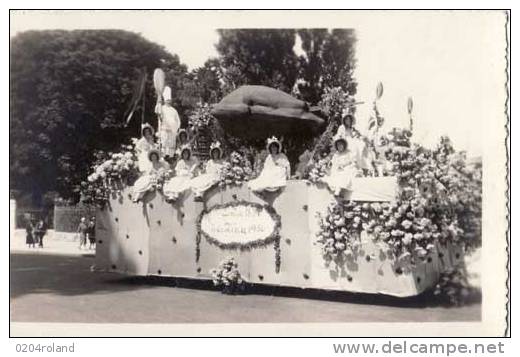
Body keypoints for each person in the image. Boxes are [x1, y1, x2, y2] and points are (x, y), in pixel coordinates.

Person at [157, 86, 180, 160]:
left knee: (171, 147)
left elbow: (178, 121)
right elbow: (158, 113)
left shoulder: (174, 110)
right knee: (164, 146)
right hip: (164, 131)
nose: (168, 101)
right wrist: (159, 103)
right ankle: (163, 158)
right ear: (164, 100)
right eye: (167, 100)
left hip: (172, 132)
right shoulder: (162, 108)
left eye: (169, 100)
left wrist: (175, 129)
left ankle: (171, 159)